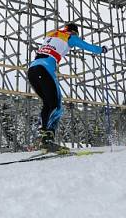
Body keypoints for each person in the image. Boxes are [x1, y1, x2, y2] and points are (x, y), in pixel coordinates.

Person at [27, 23, 106, 153]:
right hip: (44, 69)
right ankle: (47, 139)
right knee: (57, 106)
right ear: (74, 31)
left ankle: (42, 135)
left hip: (32, 71)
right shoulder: (71, 37)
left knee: (48, 104)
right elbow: (87, 46)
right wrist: (102, 50)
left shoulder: (51, 34)